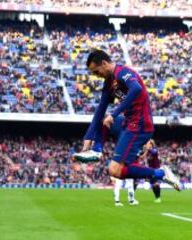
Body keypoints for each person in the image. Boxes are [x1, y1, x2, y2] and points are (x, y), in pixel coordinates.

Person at [73, 49, 180, 191]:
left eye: (96, 71)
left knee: (115, 170)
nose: (96, 76)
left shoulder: (122, 72)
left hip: (140, 124)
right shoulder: (109, 83)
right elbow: (100, 109)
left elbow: (136, 88)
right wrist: (88, 136)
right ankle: (97, 150)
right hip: (129, 122)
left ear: (104, 63)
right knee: (103, 118)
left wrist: (115, 113)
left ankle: (160, 173)